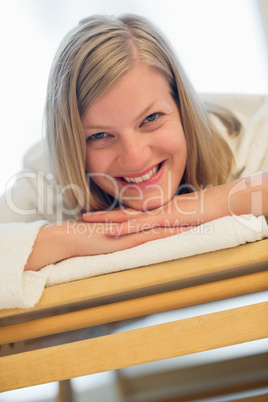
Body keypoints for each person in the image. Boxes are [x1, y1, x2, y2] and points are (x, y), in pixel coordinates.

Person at [0, 14, 267, 277]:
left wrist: (217, 201)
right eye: (100, 136)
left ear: (182, 107)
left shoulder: (252, 133)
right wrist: (66, 239)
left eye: (151, 119)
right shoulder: (46, 180)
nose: (135, 158)